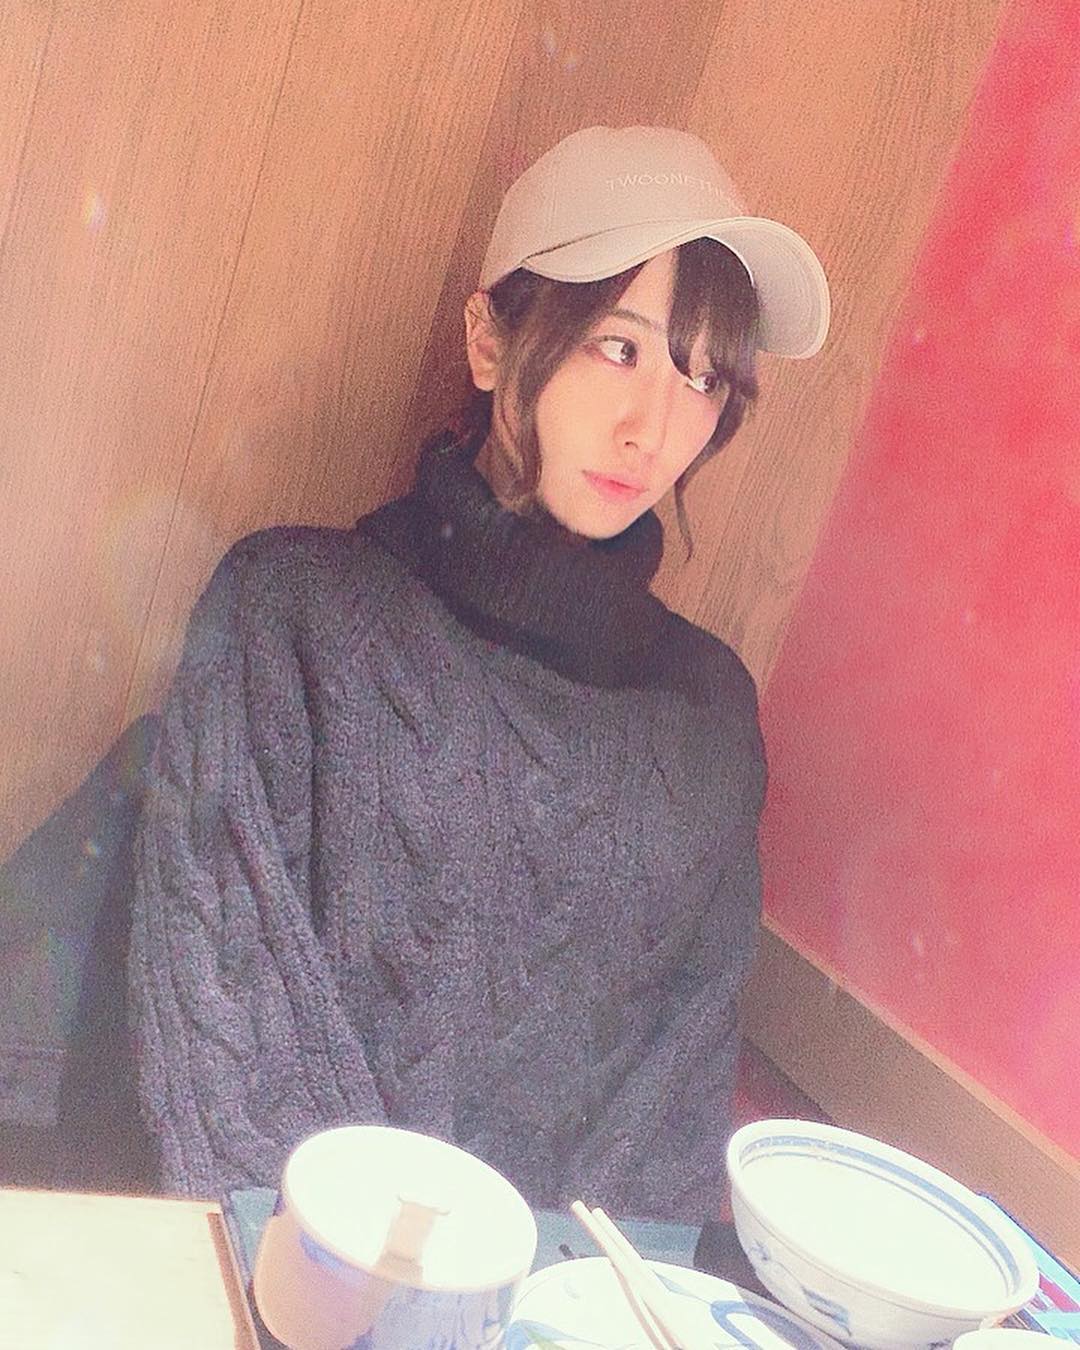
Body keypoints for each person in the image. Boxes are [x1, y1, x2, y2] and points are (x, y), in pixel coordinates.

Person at [128, 126, 830, 1223]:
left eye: (701, 378)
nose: (653, 428)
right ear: (491, 339)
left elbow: (673, 1113)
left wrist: (561, 1296)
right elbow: (231, 1037)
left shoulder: (709, 717)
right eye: (618, 347)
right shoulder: (294, 611)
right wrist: (396, 1286)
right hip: (304, 1273)